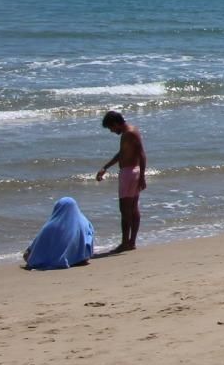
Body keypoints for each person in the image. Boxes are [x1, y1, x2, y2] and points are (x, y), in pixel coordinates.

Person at [95, 110, 146, 253]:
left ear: (116, 123)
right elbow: (122, 153)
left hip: (129, 173)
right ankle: (131, 242)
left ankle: (126, 243)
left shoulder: (129, 133)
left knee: (125, 210)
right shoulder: (129, 133)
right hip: (131, 172)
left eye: (111, 128)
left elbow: (142, 154)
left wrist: (142, 176)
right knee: (133, 208)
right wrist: (106, 167)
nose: (111, 131)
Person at [22, 196, 94, 270]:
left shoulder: (51, 226)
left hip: (57, 260)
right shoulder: (86, 222)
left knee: (28, 254)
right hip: (82, 258)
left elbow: (37, 246)